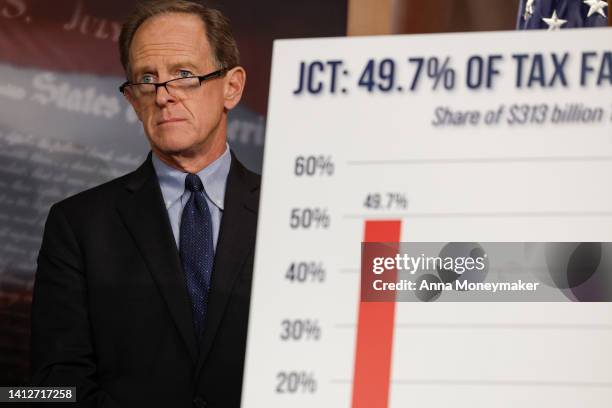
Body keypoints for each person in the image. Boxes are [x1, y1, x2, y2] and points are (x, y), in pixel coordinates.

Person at [30, 1, 259, 407]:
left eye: (184, 75)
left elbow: (402, 314)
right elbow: (52, 385)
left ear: (232, 87)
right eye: (146, 79)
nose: (164, 95)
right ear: (133, 100)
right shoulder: (77, 225)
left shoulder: (298, 211)